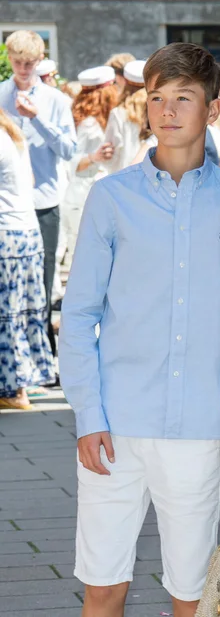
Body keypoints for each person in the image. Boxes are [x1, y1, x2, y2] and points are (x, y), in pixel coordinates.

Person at [60, 42, 220, 617]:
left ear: (211, 108)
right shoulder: (111, 199)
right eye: (157, 97)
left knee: (192, 593)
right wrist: (88, 417)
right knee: (104, 587)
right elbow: (79, 314)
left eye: (185, 97)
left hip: (199, 426)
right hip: (116, 426)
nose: (168, 110)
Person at [0, 30, 76, 357]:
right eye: (17, 62)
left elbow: (70, 149)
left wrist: (38, 119)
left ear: (40, 60)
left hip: (44, 201)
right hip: (6, 204)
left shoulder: (55, 101)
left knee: (43, 283)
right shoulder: (0, 94)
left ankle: (42, 354)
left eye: (29, 62)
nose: (22, 68)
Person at [0, 109, 55, 410]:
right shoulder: (11, 132)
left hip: (6, 233)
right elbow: (31, 179)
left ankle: (14, 390)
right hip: (27, 231)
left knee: (7, 313)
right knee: (23, 311)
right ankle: (26, 382)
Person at [62, 66, 117, 264]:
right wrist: (95, 157)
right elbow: (71, 161)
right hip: (82, 193)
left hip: (92, 192)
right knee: (84, 253)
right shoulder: (89, 125)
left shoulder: (104, 120)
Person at [104, 59, 148, 173]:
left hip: (127, 178)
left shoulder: (118, 113)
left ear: (125, 81)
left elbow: (111, 156)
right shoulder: (159, 109)